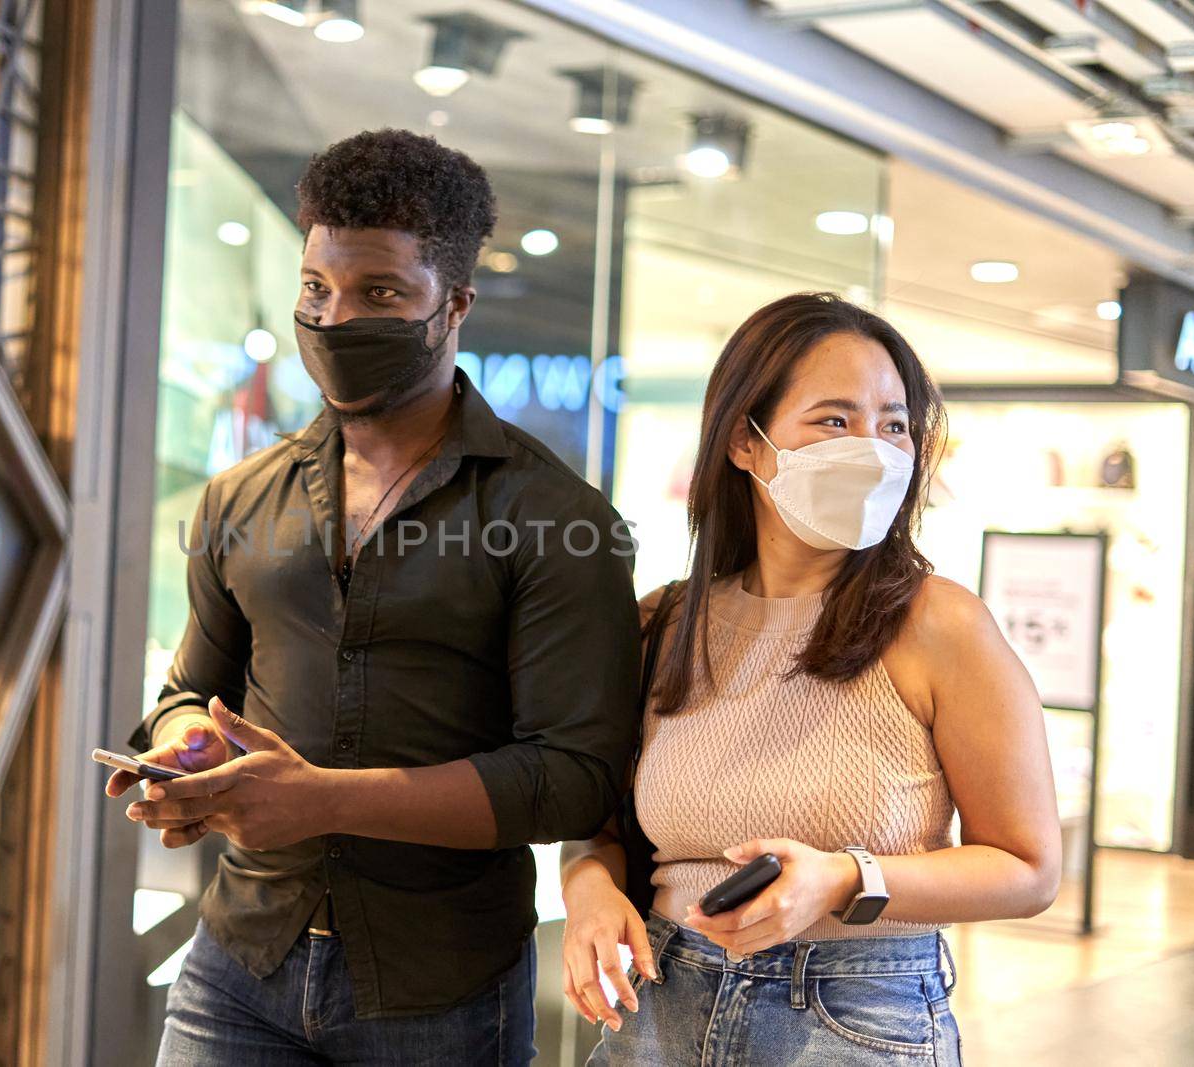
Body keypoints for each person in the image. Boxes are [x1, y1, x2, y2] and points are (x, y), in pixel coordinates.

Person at [108, 129, 641, 1065]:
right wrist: (181, 753)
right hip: (238, 963)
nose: (337, 317)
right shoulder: (240, 498)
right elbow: (190, 690)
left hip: (442, 988)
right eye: (318, 289)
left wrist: (322, 801)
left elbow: (574, 777)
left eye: (381, 294)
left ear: (455, 305)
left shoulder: (557, 516)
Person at [560, 293, 1061, 1065]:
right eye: (835, 420)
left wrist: (844, 879)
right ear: (745, 443)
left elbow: (1028, 868)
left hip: (854, 1013)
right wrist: (588, 886)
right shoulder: (663, 622)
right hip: (663, 1001)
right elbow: (599, 818)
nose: (874, 448)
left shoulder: (941, 624)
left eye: (893, 423)